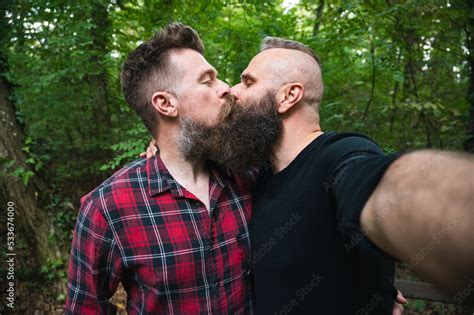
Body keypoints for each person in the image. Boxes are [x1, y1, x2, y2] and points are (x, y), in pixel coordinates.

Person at [225, 37, 474, 312]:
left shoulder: (343, 154)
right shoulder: (259, 178)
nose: (233, 91)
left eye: (248, 82)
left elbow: (385, 188)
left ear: (288, 96)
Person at [64, 23, 258, 314]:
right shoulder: (107, 208)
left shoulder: (249, 175)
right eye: (208, 81)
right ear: (165, 104)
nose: (226, 89)